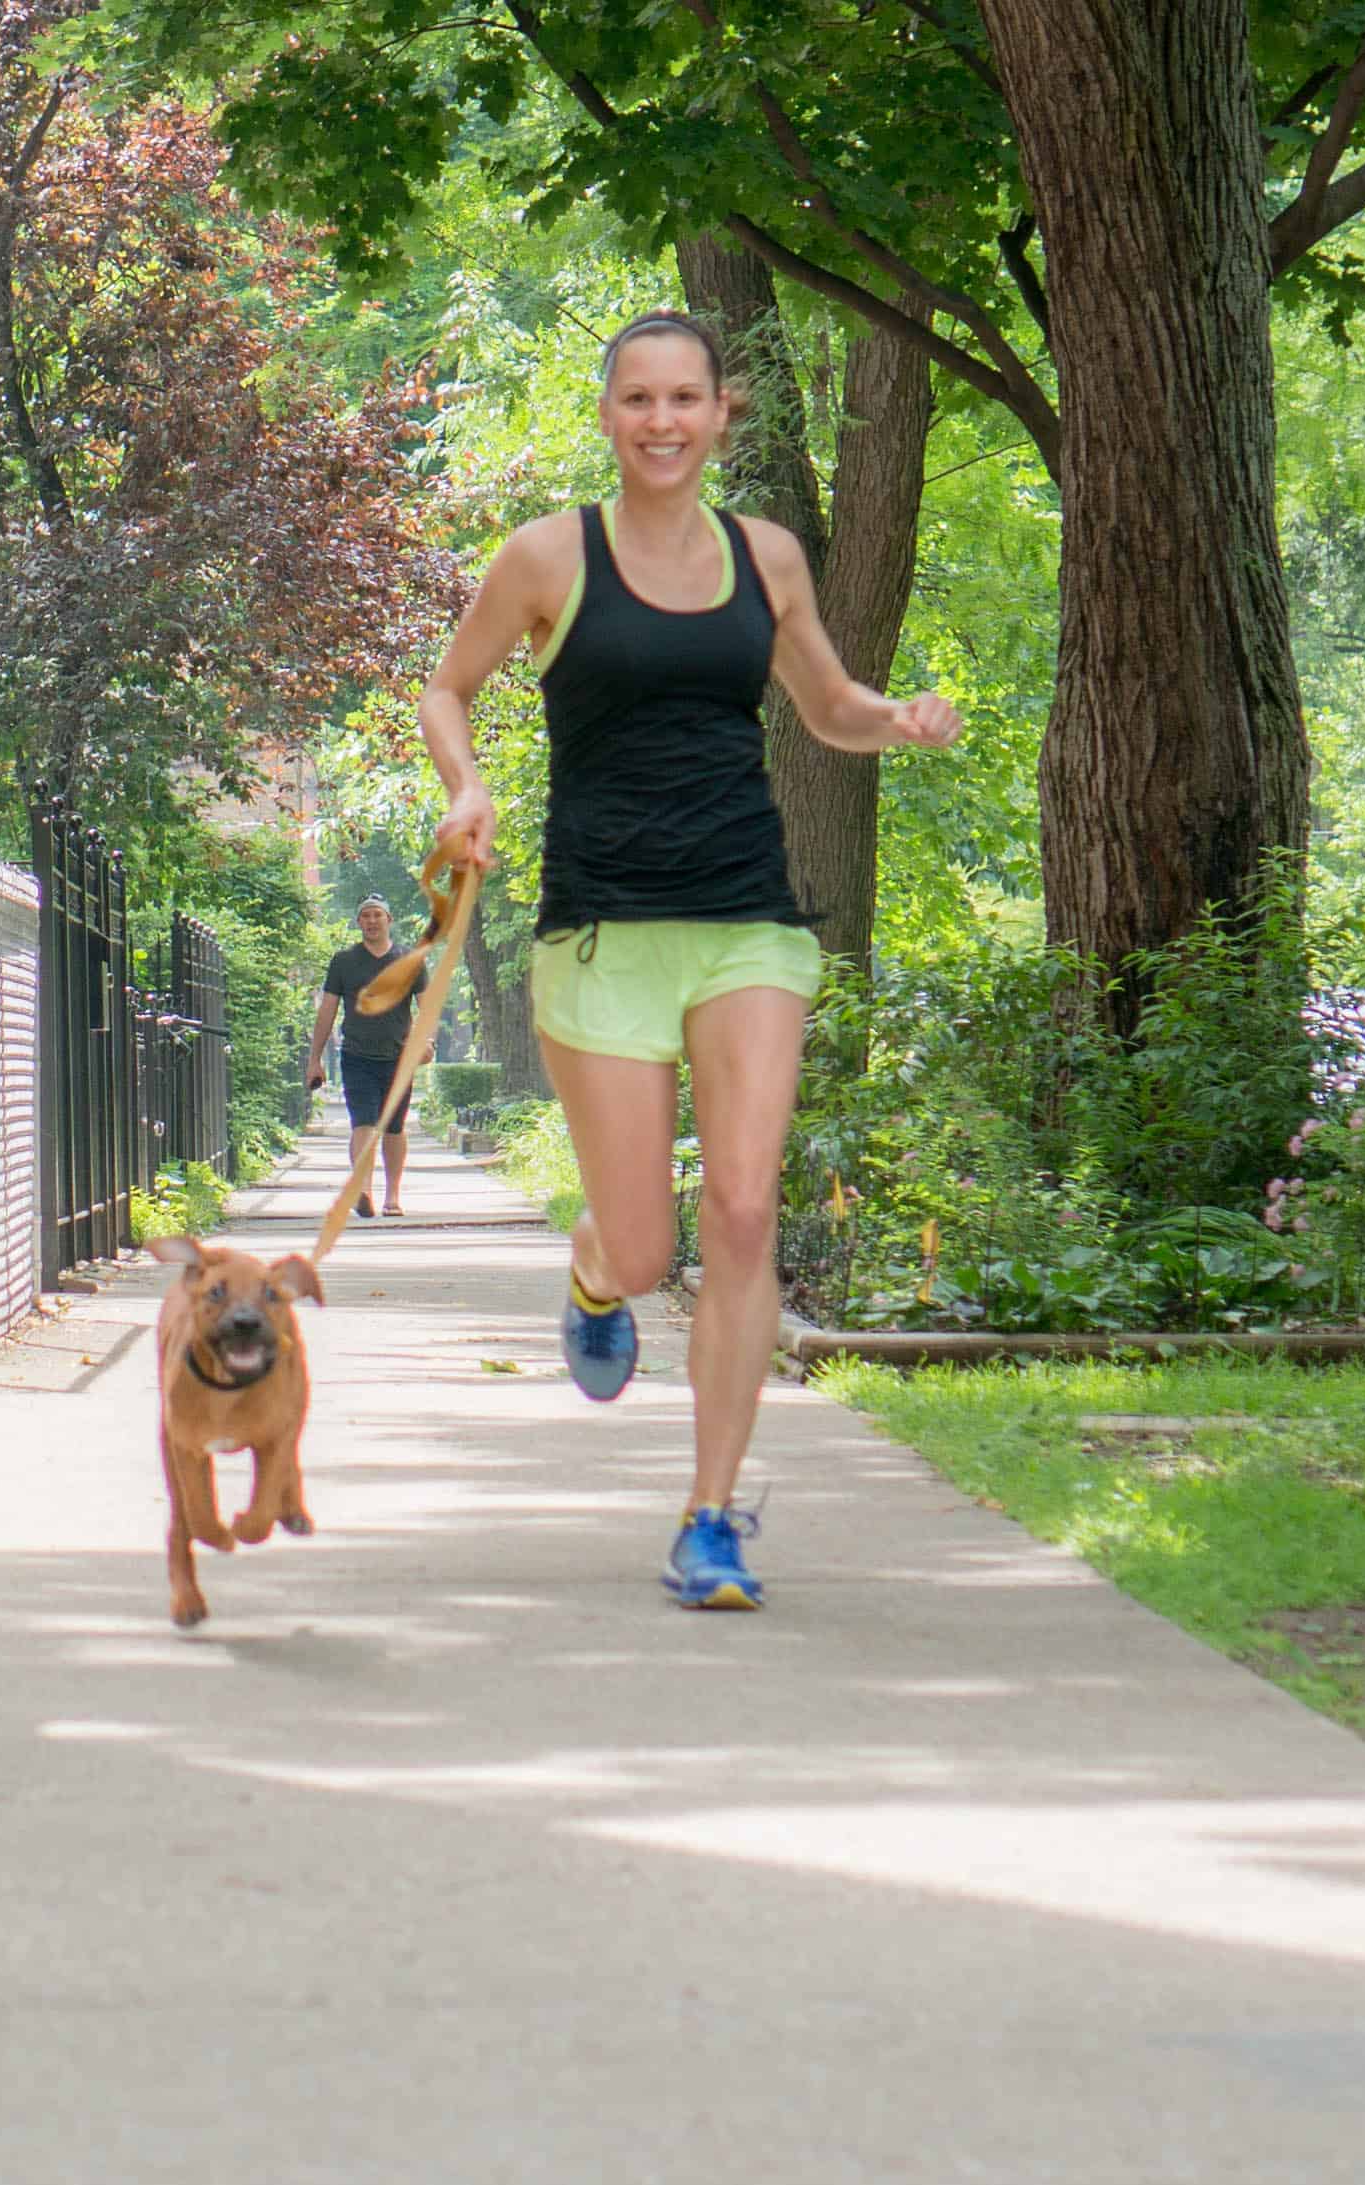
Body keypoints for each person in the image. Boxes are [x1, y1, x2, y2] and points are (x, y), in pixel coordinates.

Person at [416, 308, 961, 1611]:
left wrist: (893, 716)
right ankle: (597, 1270)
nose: (661, 420)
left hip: (743, 922)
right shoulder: (548, 556)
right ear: (608, 417)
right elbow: (448, 688)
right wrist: (464, 785)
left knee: (740, 1207)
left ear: (720, 417)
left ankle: (709, 1517)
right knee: (648, 1240)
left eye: (684, 399)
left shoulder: (765, 556)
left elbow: (824, 706)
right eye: (637, 399)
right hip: (600, 926)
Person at [307, 894, 416, 1217]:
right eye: (366, 916)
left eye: (377, 915)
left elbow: (427, 1004)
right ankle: (363, 1189)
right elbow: (327, 1010)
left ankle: (392, 1196)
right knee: (363, 1124)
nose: (371, 921)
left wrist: (428, 1042)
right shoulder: (344, 961)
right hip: (356, 1056)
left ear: (388, 920)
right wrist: (315, 1059)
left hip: (398, 1057)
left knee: (394, 1127)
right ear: (359, 923)